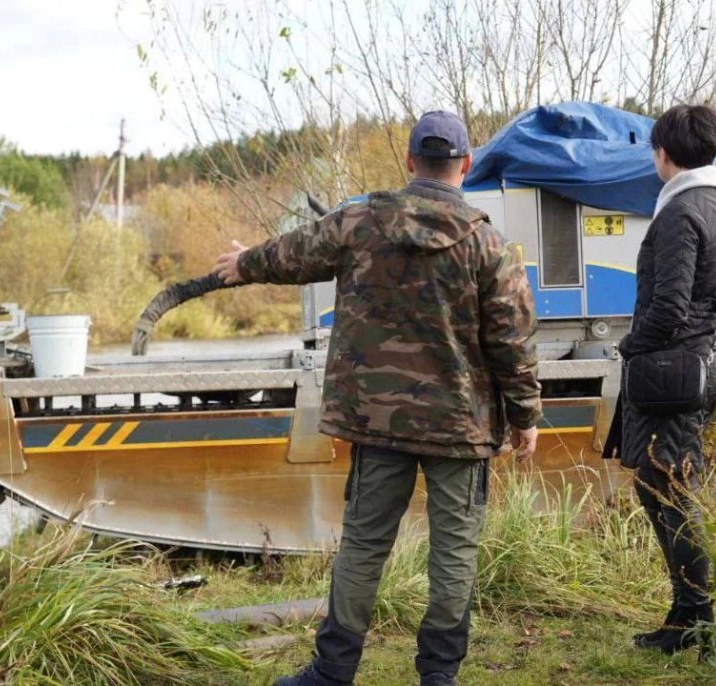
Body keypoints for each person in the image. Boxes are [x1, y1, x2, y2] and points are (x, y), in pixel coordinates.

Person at [213, 111, 542, 686]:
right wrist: (526, 417)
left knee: (364, 545)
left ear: (411, 162)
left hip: (379, 422)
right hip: (460, 429)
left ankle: (332, 671)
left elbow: (293, 253)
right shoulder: (489, 245)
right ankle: (438, 677)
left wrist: (243, 263)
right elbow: (511, 339)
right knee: (454, 552)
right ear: (465, 166)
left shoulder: (359, 221)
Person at [605, 104, 716, 654]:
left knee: (671, 491)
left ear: (663, 154)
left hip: (672, 372)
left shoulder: (679, 212)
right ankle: (687, 613)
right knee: (656, 485)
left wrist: (630, 345)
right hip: (707, 365)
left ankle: (697, 620)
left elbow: (667, 306)